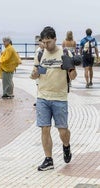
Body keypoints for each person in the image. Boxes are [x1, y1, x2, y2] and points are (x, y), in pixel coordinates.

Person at [30, 26, 77, 171]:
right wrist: (34, 74)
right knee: (45, 128)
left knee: (63, 130)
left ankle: (66, 146)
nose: (46, 45)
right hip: (42, 96)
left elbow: (73, 76)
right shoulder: (39, 54)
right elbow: (34, 74)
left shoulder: (64, 53)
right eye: (44, 42)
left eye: (49, 42)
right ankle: (48, 159)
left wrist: (69, 67)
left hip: (60, 97)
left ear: (55, 40)